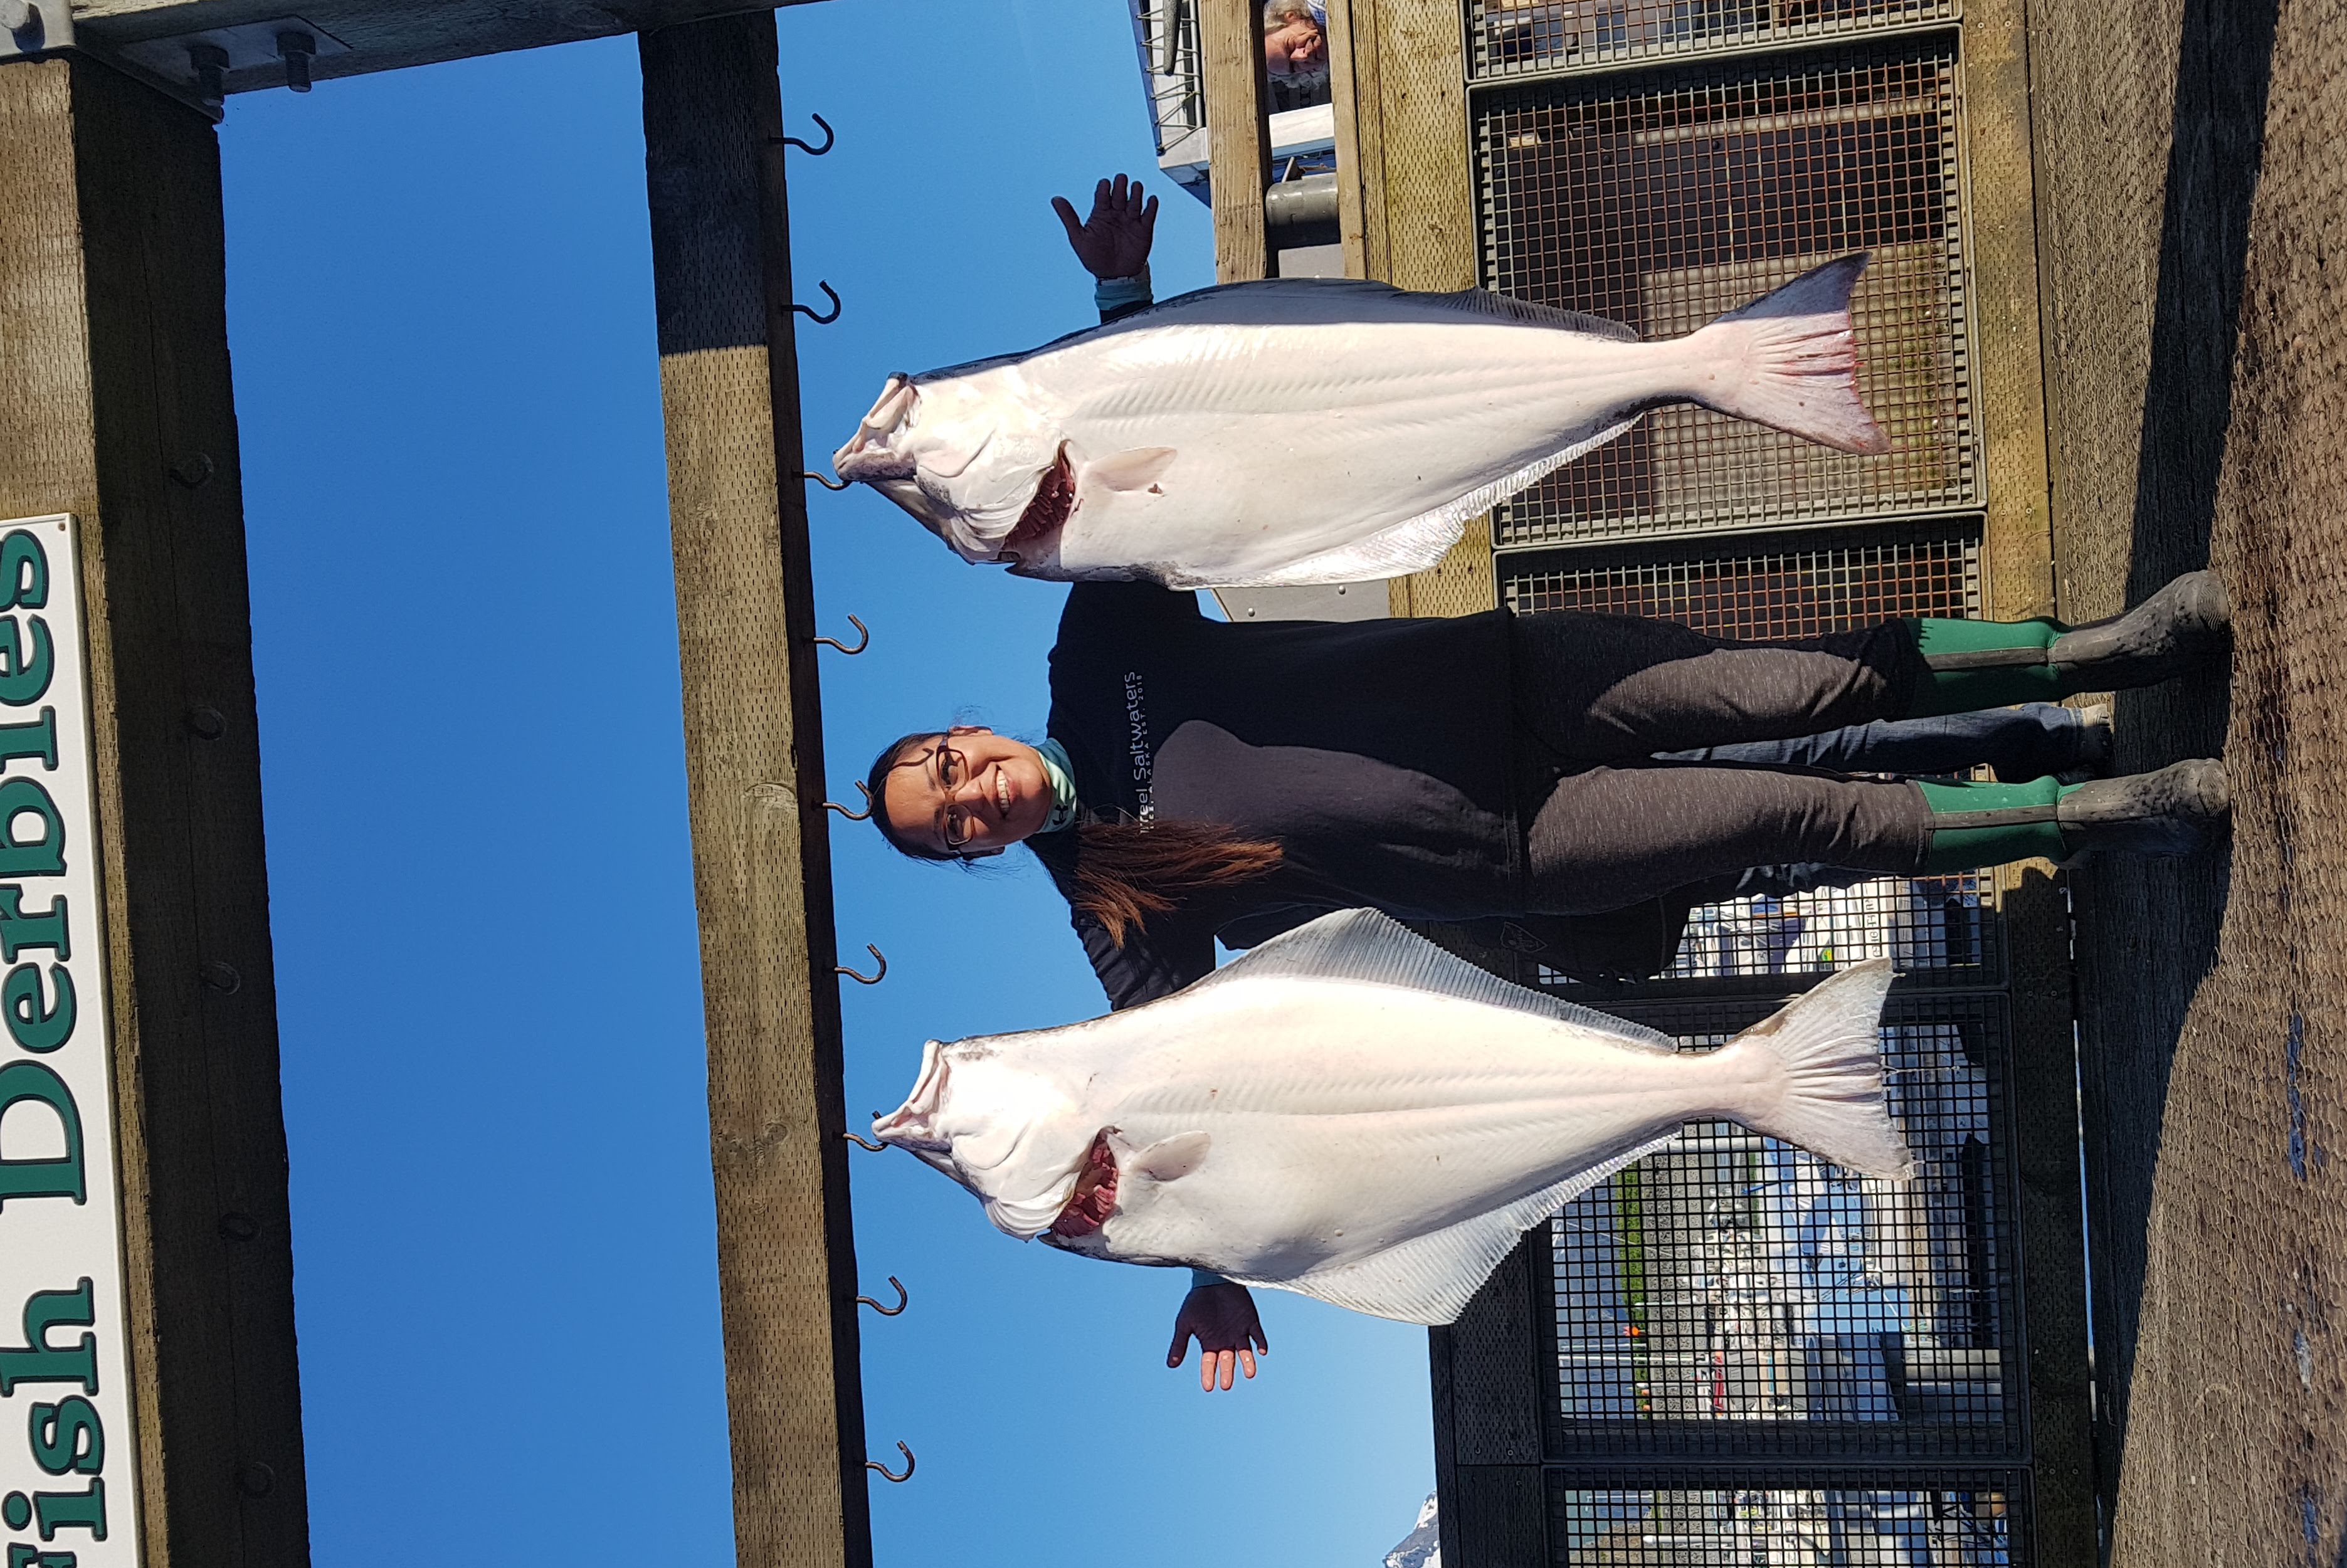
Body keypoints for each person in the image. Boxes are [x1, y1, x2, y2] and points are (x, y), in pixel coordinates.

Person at [884, 180, 2232, 1394]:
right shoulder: (1112, 906)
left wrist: (1121, 291)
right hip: (1521, 846)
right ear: (970, 855)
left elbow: (1147, 438)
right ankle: (2101, 819)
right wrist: (1209, 1267)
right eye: (951, 827)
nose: (971, 794)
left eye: (945, 769)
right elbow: (1166, 1094)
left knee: (1806, 683)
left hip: (1512, 674)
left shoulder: (1093, 654)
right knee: (1798, 816)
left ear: (963, 732)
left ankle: (2103, 649)